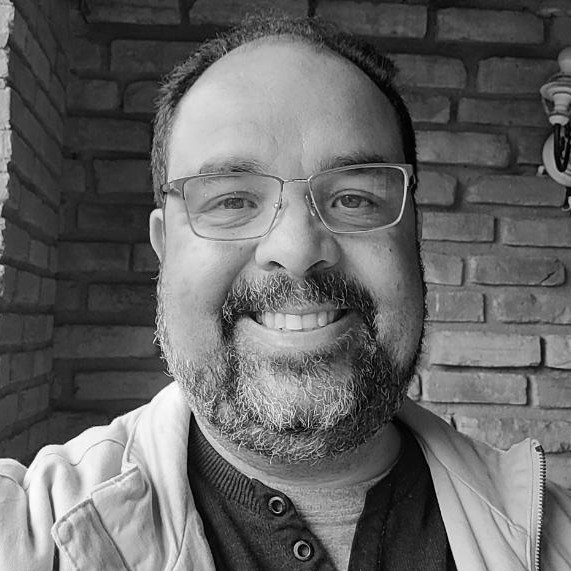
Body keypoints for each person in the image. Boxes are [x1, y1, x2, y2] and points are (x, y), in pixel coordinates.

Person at [1, 15, 570, 571]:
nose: (297, 248)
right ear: (165, 246)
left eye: (354, 198)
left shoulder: (557, 536)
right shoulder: (29, 533)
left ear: (411, 234)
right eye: (231, 200)